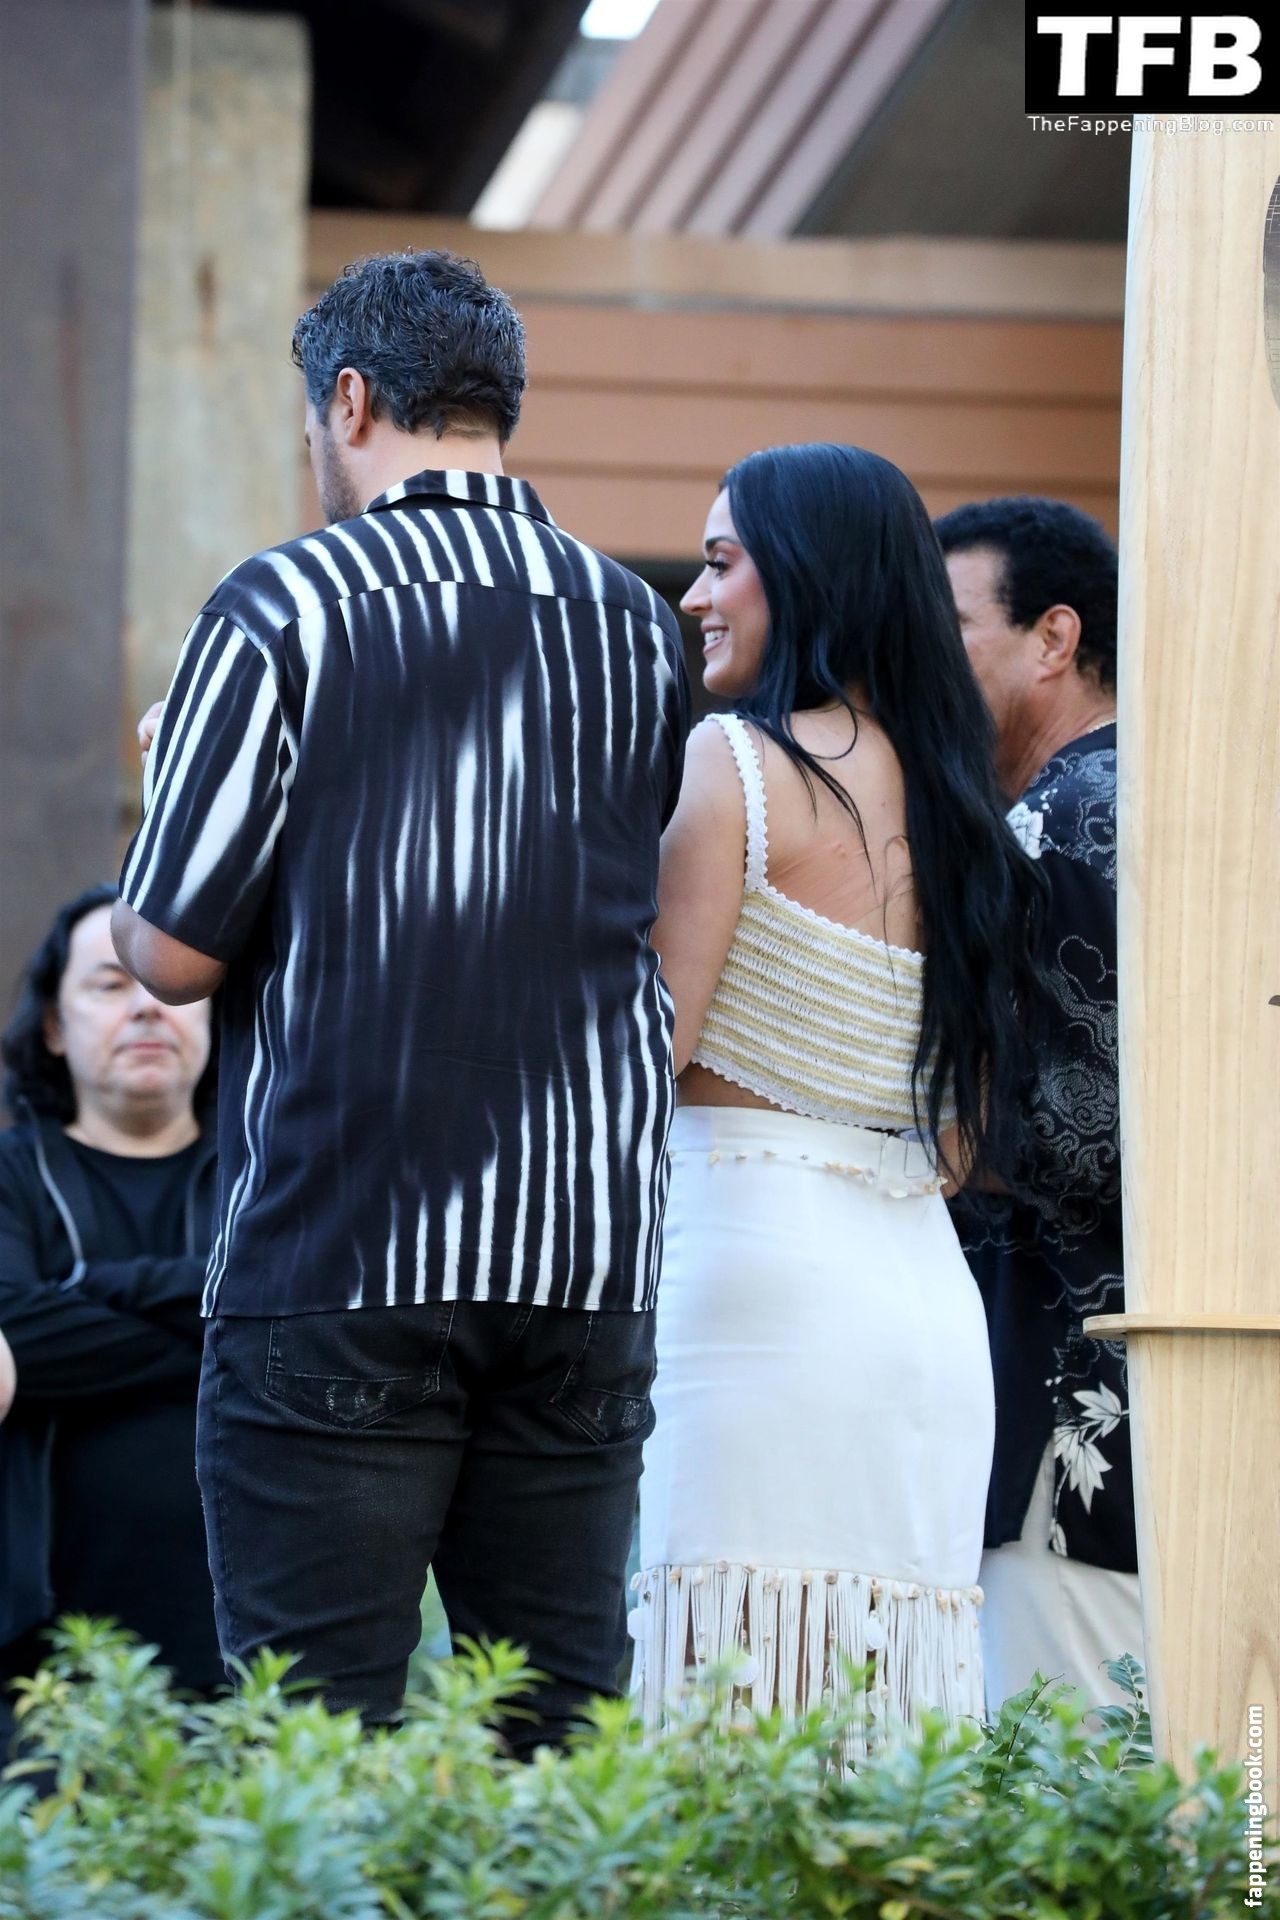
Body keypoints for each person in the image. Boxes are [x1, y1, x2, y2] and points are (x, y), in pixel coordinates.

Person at [111, 250, 690, 1753]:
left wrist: (175, 783)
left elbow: (166, 955)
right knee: (555, 1751)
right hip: (580, 1260)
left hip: (341, 1244)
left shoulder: (283, 606)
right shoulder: (635, 625)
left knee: (317, 1752)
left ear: (351, 401)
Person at [634, 444, 1045, 1752]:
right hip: (919, 1298)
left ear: (805, 571)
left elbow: (646, 1058)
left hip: (750, 1280)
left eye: (721, 562)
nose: (696, 596)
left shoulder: (734, 767)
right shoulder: (963, 806)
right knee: (881, 1736)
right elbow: (966, 1142)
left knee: (719, 1709)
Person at [935, 494, 1139, 1710]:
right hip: (1186, 1403)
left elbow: (1075, 1131)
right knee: (1231, 1781)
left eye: (951, 626)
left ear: (1051, 638)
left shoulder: (1045, 823)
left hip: (1068, 1411)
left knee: (1067, 1784)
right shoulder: (1184, 802)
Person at [0, 886, 220, 1758]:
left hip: (250, 1653)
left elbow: (317, 1320)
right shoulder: (11, 1176)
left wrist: (84, 1290)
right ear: (55, 1025)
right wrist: (226, 1323)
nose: (145, 1007)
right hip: (43, 1670)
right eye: (108, 984)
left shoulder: (271, 1172)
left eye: (168, 989)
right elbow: (10, 1325)